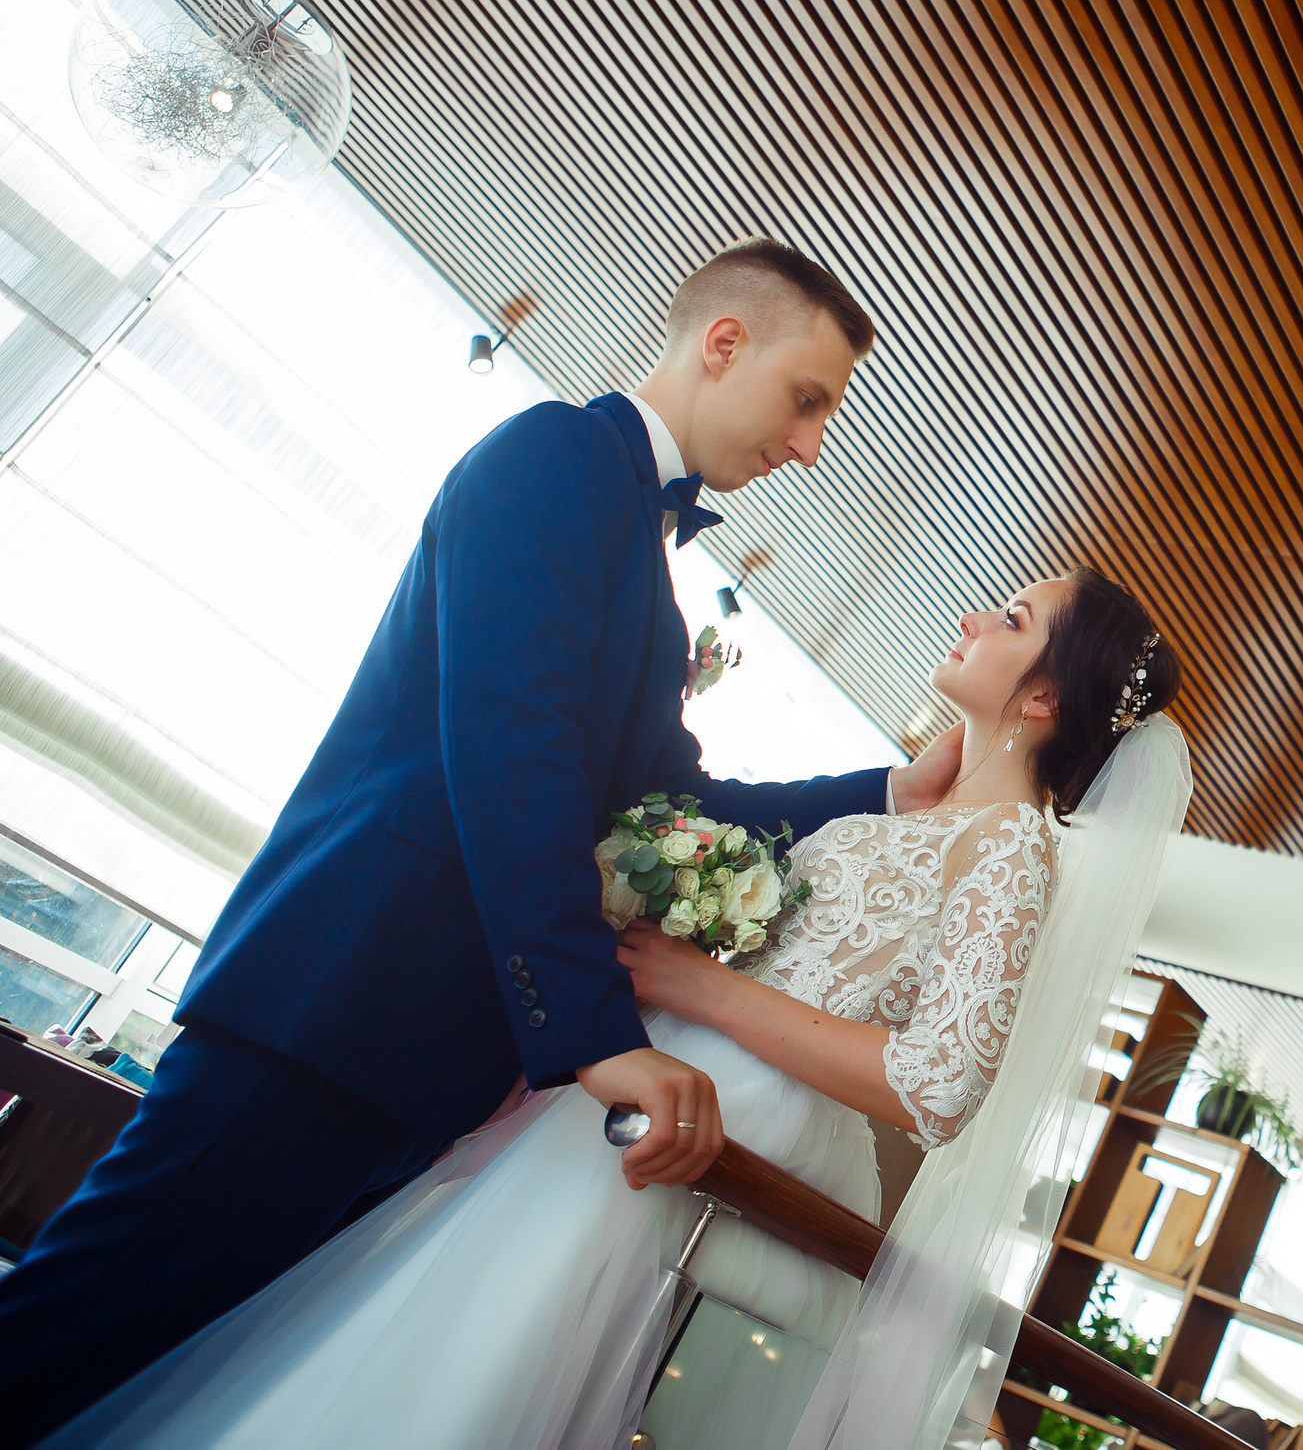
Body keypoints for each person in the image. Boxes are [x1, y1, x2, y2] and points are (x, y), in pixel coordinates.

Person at [0, 238, 968, 1448]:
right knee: (64, 1340)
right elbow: (509, 759)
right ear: (724, 344)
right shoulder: (552, 458)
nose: (811, 443)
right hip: (334, 1011)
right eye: (807, 398)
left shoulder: (650, 576)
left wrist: (888, 789)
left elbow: (678, 804)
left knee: (171, 1386)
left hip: (421, 1063)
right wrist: (600, 1041)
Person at [47, 570, 1191, 1450]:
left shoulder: (1013, 852)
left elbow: (937, 1084)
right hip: (656, 1081)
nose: (975, 616)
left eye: (1012, 617)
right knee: (436, 1324)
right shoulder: (928, 822)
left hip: (725, 1119)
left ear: (1043, 696)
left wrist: (706, 986)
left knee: (478, 1357)